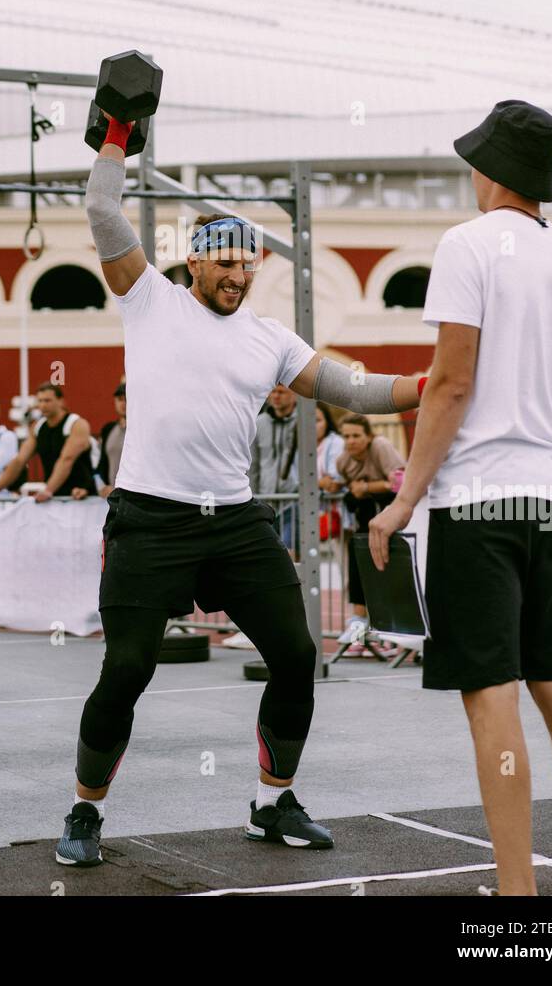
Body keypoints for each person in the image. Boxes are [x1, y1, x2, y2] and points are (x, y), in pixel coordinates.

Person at [55, 109, 424, 869]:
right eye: (223, 263)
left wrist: (433, 385)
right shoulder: (149, 299)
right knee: (126, 669)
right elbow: (100, 208)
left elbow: (355, 386)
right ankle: (85, 812)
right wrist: (118, 133)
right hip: (149, 522)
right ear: (195, 264)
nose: (235, 275)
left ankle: (270, 803)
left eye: (245, 264)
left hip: (233, 523)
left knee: (296, 654)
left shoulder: (271, 340)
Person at [370, 98, 552, 897]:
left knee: (491, 700)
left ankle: (517, 900)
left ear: (490, 171)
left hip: (480, 502)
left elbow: (448, 385)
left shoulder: (468, 245)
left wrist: (404, 499)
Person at [336, 413, 405, 656]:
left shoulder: (381, 447)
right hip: (365, 520)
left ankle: (393, 636)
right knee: (359, 569)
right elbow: (346, 486)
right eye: (346, 436)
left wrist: (367, 487)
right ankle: (358, 632)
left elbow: (400, 482)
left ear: (368, 436)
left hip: (394, 517)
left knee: (390, 571)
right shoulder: (343, 461)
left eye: (356, 435)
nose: (351, 441)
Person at [0, 383, 96, 502]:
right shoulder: (38, 428)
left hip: (84, 496)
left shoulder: (77, 424)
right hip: (55, 498)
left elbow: (67, 459)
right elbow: (19, 461)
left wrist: (48, 490)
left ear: (60, 401)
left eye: (47, 400)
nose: (43, 405)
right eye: (39, 401)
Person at [249, 383, 299, 551]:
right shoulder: (258, 422)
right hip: (265, 499)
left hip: (294, 499)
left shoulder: (304, 422)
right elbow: (253, 463)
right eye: (273, 392)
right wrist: (252, 496)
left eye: (281, 392)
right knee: (268, 549)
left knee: (288, 548)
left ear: (294, 395)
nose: (276, 396)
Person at [96, 380, 126, 498]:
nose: (123, 403)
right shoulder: (108, 429)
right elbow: (100, 463)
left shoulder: (141, 429)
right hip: (112, 496)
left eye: (127, 399)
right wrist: (102, 487)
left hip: (135, 496)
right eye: (120, 399)